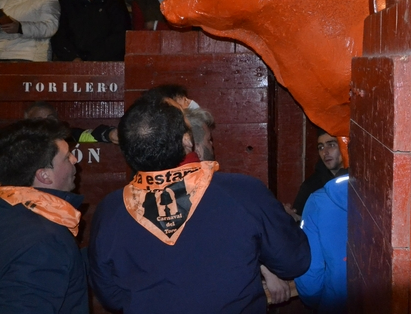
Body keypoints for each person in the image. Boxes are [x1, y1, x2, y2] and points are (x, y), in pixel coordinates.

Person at [89, 96, 311, 313]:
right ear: (188, 141)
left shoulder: (109, 210)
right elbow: (294, 261)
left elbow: (110, 295)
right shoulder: (244, 192)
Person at [0, 118, 87, 313]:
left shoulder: (9, 212)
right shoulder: (46, 240)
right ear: (44, 175)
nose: (75, 159)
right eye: (66, 156)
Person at [52, 0, 130, 61]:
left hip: (107, 62)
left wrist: (94, 59)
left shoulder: (116, 3)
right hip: (74, 63)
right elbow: (60, 36)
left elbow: (120, 35)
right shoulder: (69, 5)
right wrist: (73, 57)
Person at [295, 174, 349, 314]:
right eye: (321, 149)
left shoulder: (319, 200)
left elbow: (310, 270)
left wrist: (314, 301)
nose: (325, 152)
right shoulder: (398, 193)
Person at [288, 131, 348, 219]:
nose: (325, 152)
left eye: (331, 145)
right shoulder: (311, 186)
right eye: (321, 147)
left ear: (344, 146)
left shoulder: (358, 180)